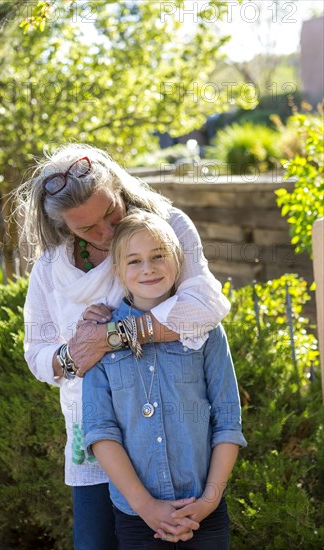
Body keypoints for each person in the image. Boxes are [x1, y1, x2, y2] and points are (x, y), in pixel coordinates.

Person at [17, 144, 231, 550]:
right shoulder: (50, 268)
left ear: (118, 186)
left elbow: (204, 308)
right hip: (97, 438)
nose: (105, 233)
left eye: (109, 214)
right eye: (86, 229)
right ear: (63, 226)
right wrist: (73, 354)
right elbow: (37, 354)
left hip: (170, 434)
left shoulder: (165, 228)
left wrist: (112, 337)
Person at [82, 210, 247, 549]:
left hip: (203, 510)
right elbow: (100, 431)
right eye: (134, 261)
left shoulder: (206, 331)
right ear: (117, 271)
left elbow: (228, 420)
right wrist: (146, 506)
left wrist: (209, 501)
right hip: (136, 515)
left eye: (158, 256)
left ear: (177, 258)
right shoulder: (100, 339)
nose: (148, 268)